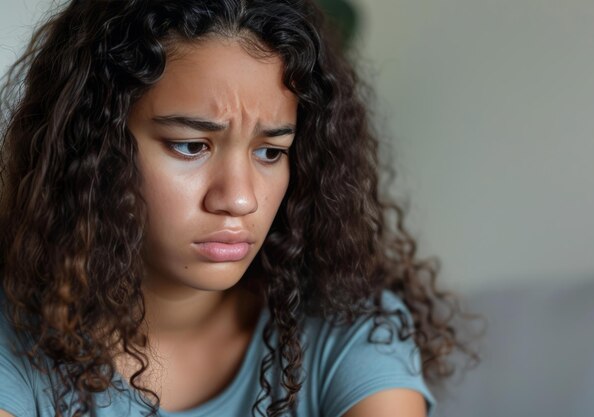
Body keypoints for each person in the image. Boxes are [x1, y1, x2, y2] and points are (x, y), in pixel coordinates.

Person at [0, 1, 476, 416]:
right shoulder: (13, 342)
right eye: (190, 146)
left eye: (270, 152)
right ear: (91, 148)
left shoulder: (350, 332)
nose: (240, 198)